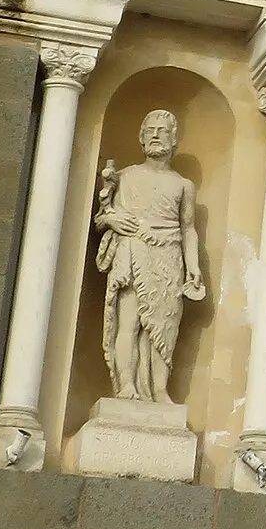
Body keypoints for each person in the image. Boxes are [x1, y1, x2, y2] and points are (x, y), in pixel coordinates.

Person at [94, 109, 205, 403]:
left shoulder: (183, 185)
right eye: (150, 131)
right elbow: (102, 218)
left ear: (174, 139)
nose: (156, 135)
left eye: (162, 130)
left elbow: (188, 228)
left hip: (169, 257)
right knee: (129, 321)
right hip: (132, 252)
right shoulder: (125, 177)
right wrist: (112, 220)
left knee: (165, 325)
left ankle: (159, 390)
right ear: (141, 140)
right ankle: (127, 385)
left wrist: (193, 266)